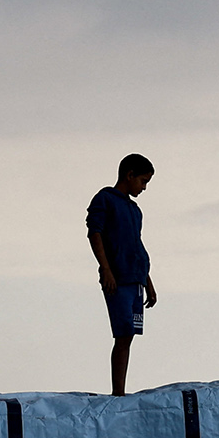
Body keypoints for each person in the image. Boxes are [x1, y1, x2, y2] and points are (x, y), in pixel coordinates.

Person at [86, 154, 157, 396]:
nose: (144, 187)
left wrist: (148, 282)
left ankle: (121, 390)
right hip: (118, 278)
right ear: (130, 175)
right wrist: (106, 269)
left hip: (136, 278)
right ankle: (118, 392)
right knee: (122, 332)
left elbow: (137, 245)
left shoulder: (135, 211)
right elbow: (94, 232)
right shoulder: (105, 198)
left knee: (129, 335)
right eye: (143, 181)